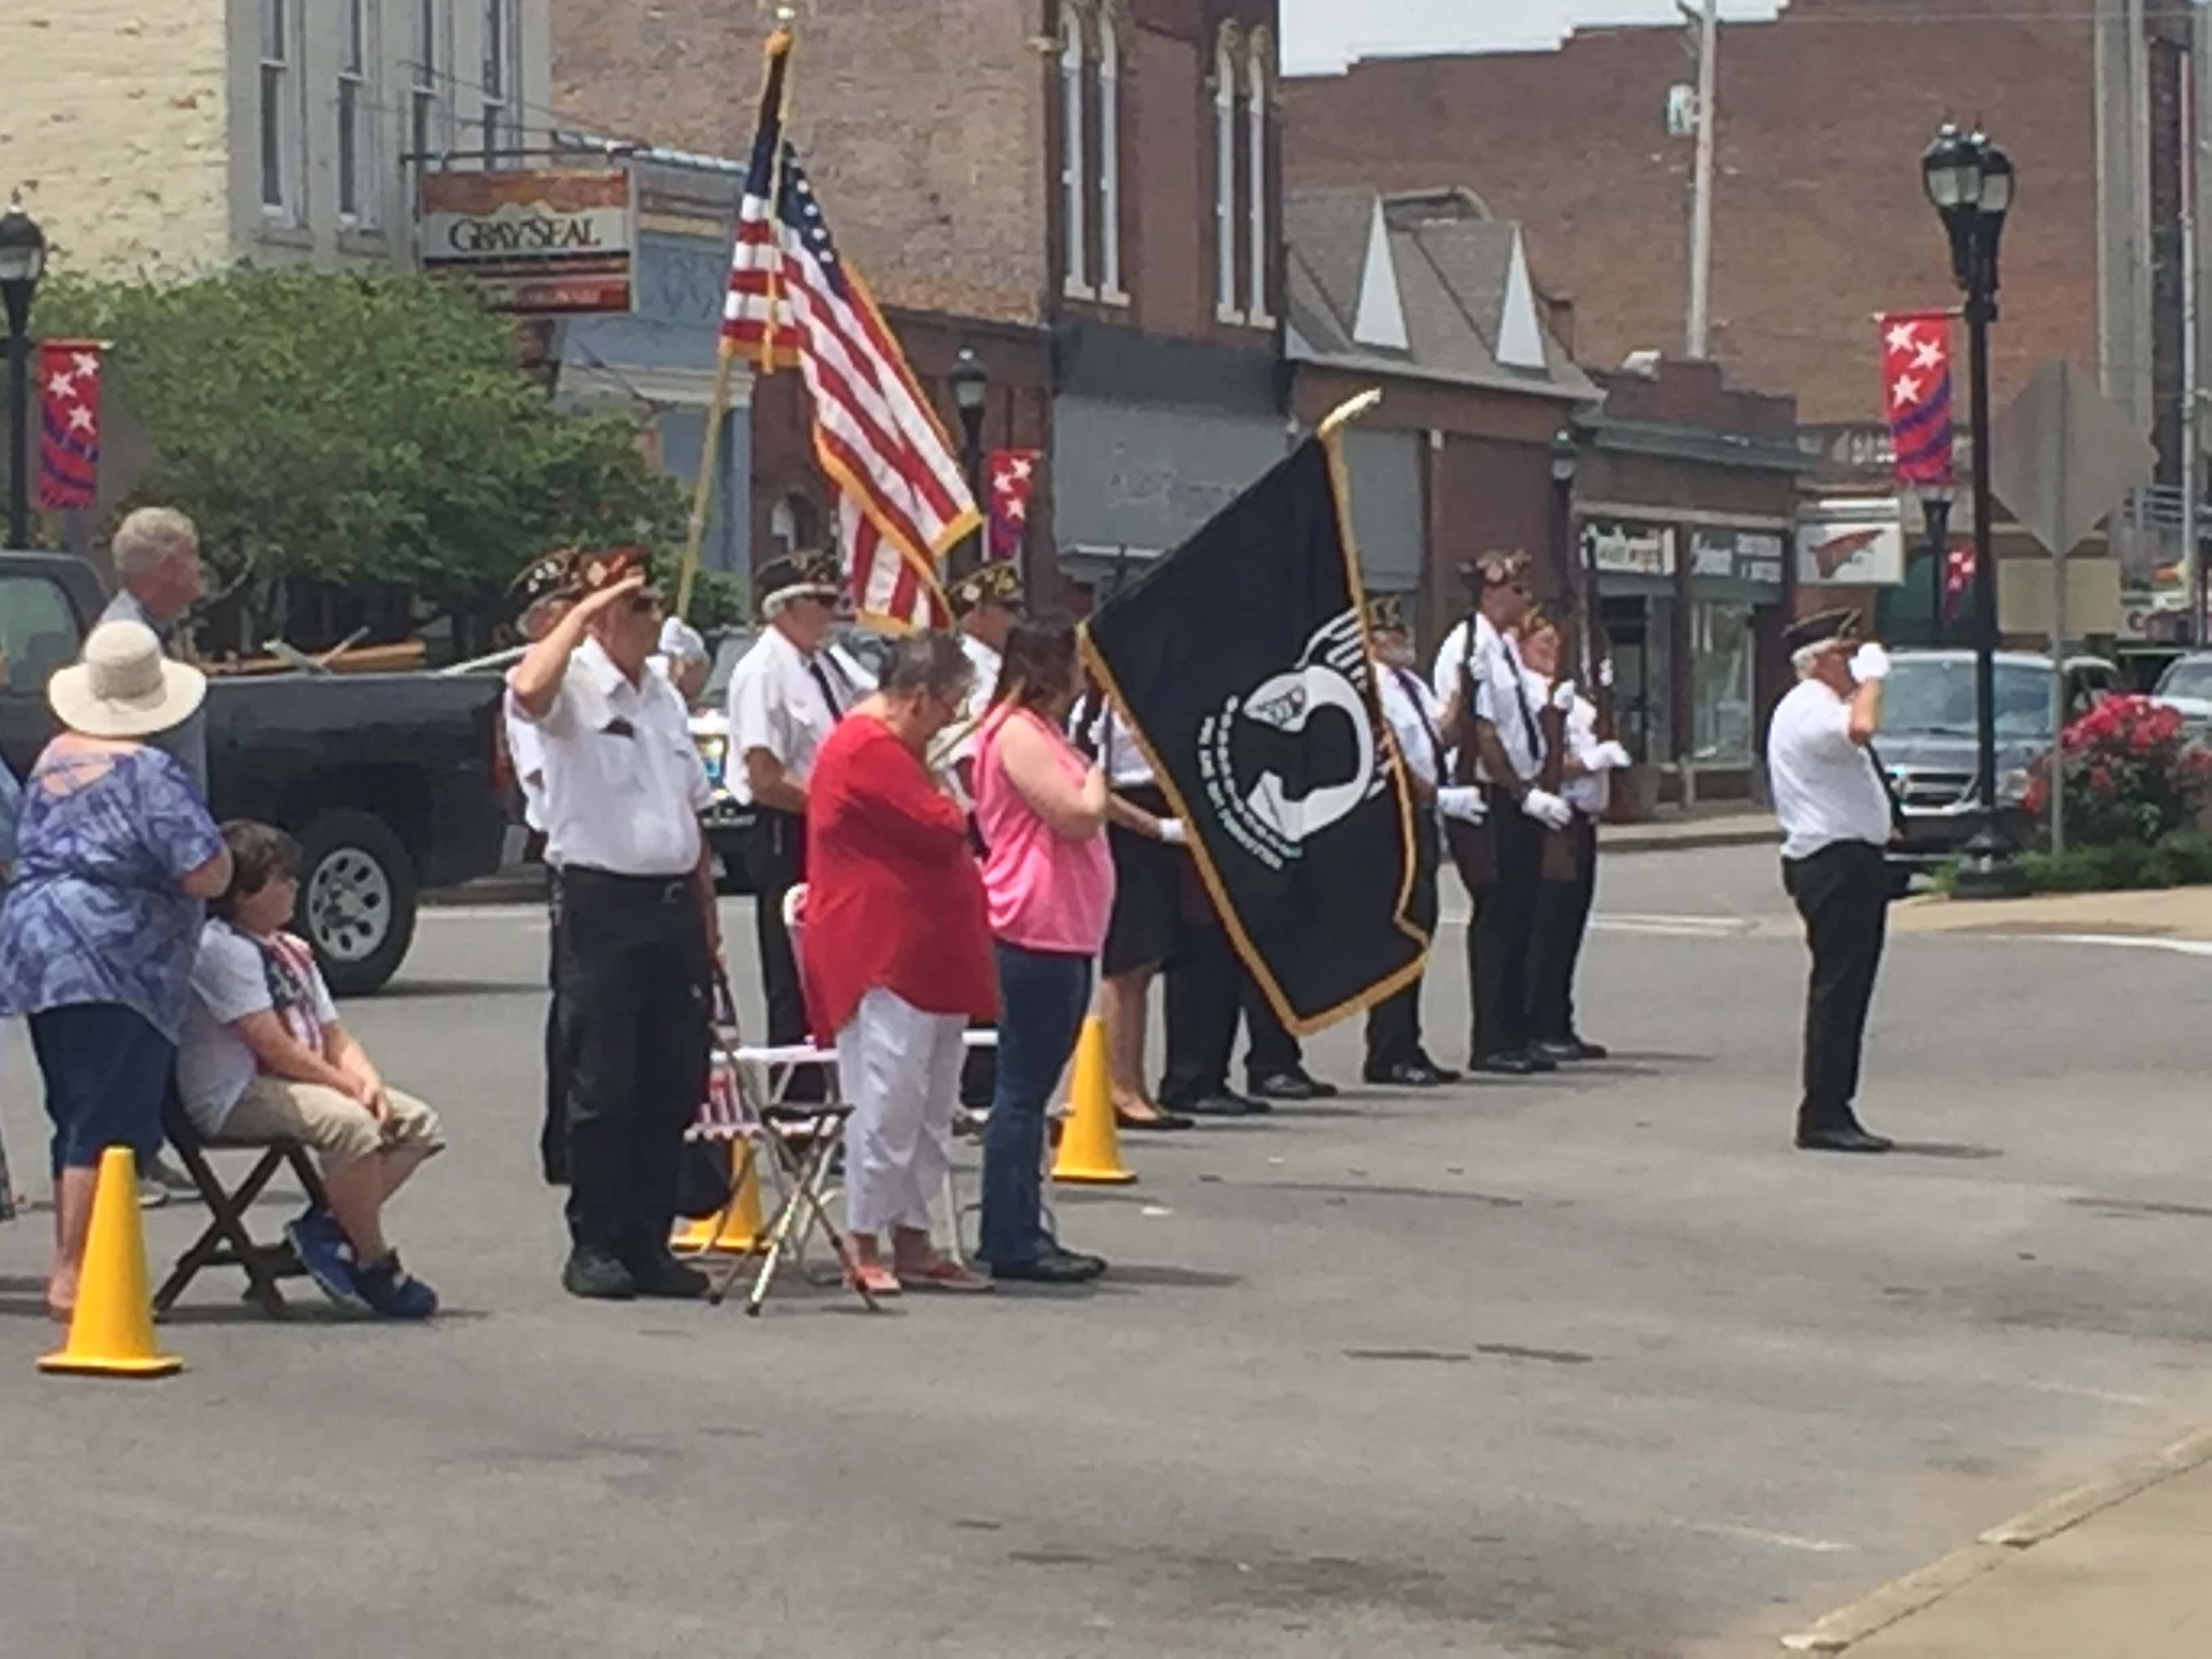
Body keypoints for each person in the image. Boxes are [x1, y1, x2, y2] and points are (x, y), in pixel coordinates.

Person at [508, 548, 722, 1300]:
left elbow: (691, 813)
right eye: (636, 606)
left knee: (672, 1080)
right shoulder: (570, 685)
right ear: (597, 617)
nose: (652, 617)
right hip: (602, 903)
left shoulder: (661, 696)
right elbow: (530, 687)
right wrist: (576, 616)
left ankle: (649, 1239)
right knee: (603, 1080)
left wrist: (707, 920)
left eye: (654, 604)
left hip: (670, 904)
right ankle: (595, 1240)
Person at [0, 621, 230, 1320]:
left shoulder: (53, 760)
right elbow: (203, 871)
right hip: (116, 955)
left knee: (73, 1104)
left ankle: (82, 1263)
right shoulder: (148, 772)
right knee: (109, 1113)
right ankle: (78, 1273)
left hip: (43, 943)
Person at [178, 821, 444, 1317]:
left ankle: (325, 1226)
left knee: (417, 1125)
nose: (295, 888)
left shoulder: (289, 949)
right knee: (352, 1126)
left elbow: (332, 1032)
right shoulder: (222, 949)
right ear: (245, 891)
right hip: (238, 1092)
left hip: (300, 1082)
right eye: (282, 880)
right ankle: (372, 1261)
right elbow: (270, 1043)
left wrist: (366, 1082)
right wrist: (346, 1091)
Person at [803, 632, 996, 1295]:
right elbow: (943, 825)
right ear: (916, 700)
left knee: (932, 1102)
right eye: (949, 705)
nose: (953, 720)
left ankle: (914, 1235)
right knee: (887, 1097)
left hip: (927, 948)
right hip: (884, 950)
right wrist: (952, 804)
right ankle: (864, 1234)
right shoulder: (867, 749)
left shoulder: (901, 749)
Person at [971, 618, 1111, 1284]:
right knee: (1021, 1091)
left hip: (1067, 924)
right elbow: (1076, 814)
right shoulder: (1018, 733)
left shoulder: (1049, 734)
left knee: (1033, 1087)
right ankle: (1011, 1235)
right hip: (1034, 921)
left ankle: (1024, 1224)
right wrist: (1099, 777)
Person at [102, 506, 211, 1205]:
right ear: (167, 565)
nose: (199, 573)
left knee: (156, 1013)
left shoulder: (151, 636)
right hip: (146, 866)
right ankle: (120, 1155)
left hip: (170, 859)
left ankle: (142, 1143)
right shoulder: (123, 642)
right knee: (128, 1017)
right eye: (193, 558)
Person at [1430, 552, 1574, 1076]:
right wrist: (1523, 794)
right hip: (1490, 798)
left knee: (1520, 914)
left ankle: (1515, 1032)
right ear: (1491, 593)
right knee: (1499, 916)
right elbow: (1483, 733)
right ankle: (1492, 1040)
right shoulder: (1471, 647)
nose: (1524, 599)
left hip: (1511, 795)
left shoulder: (1499, 647)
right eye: (1516, 590)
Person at [724, 550, 866, 1060]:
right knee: (794, 971)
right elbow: (764, 775)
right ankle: (799, 1107)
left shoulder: (827, 663)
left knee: (835, 967)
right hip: (790, 829)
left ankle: (835, 1087)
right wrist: (837, 807)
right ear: (781, 607)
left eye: (833, 600)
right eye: (819, 601)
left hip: (831, 829)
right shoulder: (763, 670)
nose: (830, 613)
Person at [1768, 609, 1897, 1154]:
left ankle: (1832, 1105)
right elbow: (1862, 727)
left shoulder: (1818, 705)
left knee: (1848, 989)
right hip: (1834, 863)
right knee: (1839, 991)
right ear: (1817, 661)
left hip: (1849, 861)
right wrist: (1873, 679)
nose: (1853, 662)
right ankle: (1824, 1111)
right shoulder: (1810, 708)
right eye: (1845, 654)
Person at [1519, 613, 1632, 1063]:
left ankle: (1559, 1019)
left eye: (1555, 644)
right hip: (1553, 819)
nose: (1550, 652)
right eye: (1541, 643)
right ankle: (1539, 1022)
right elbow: (1539, 757)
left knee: (1569, 928)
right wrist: (1589, 762)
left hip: (1582, 819)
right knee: (1547, 928)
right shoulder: (1528, 691)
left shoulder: (1571, 695)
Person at [1364, 595, 1466, 1087]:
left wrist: (1465, 695)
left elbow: (1437, 736)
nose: (1400, 642)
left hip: (1424, 816)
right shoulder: (1372, 688)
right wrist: (1435, 795)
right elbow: (1392, 756)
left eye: (1402, 633)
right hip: (1395, 819)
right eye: (1390, 634)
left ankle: (1408, 1041)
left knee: (1422, 926)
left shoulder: (1412, 684)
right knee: (1402, 927)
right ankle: (1389, 1049)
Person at [1081, 697, 1195, 1132]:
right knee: (1124, 964)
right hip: (1130, 823)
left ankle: (1134, 1082)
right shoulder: (1098, 705)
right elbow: (1096, 782)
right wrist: (1154, 826)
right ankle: (1118, 1087)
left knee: (1144, 963)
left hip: (1161, 810)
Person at [506, 552, 578, 1187]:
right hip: (573, 854)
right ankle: (567, 1140)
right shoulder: (528, 687)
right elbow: (544, 778)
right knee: (576, 1009)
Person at [945, 561, 1025, 1122]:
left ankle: (987, 1072)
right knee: (980, 949)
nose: (1013, 619)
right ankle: (977, 1079)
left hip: (991, 820)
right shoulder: (969, 671)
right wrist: (997, 822)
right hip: (979, 820)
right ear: (977, 612)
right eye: (1007, 609)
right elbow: (968, 758)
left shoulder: (998, 668)